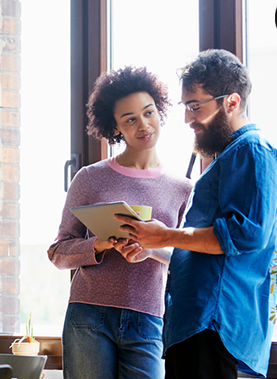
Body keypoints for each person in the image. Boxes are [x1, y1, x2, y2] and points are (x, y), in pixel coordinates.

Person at [117, 49, 277, 379]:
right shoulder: (230, 154)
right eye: (185, 107)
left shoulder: (252, 149)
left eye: (196, 106)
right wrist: (155, 247)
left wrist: (163, 234)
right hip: (197, 324)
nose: (187, 118)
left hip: (213, 324)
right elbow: (208, 253)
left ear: (232, 102)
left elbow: (244, 235)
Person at [47, 65, 193, 379]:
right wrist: (100, 244)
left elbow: (188, 260)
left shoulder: (183, 189)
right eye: (130, 119)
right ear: (116, 127)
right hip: (88, 315)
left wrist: (150, 248)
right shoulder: (89, 178)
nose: (144, 125)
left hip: (148, 319)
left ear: (160, 112)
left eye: (148, 112)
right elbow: (58, 253)